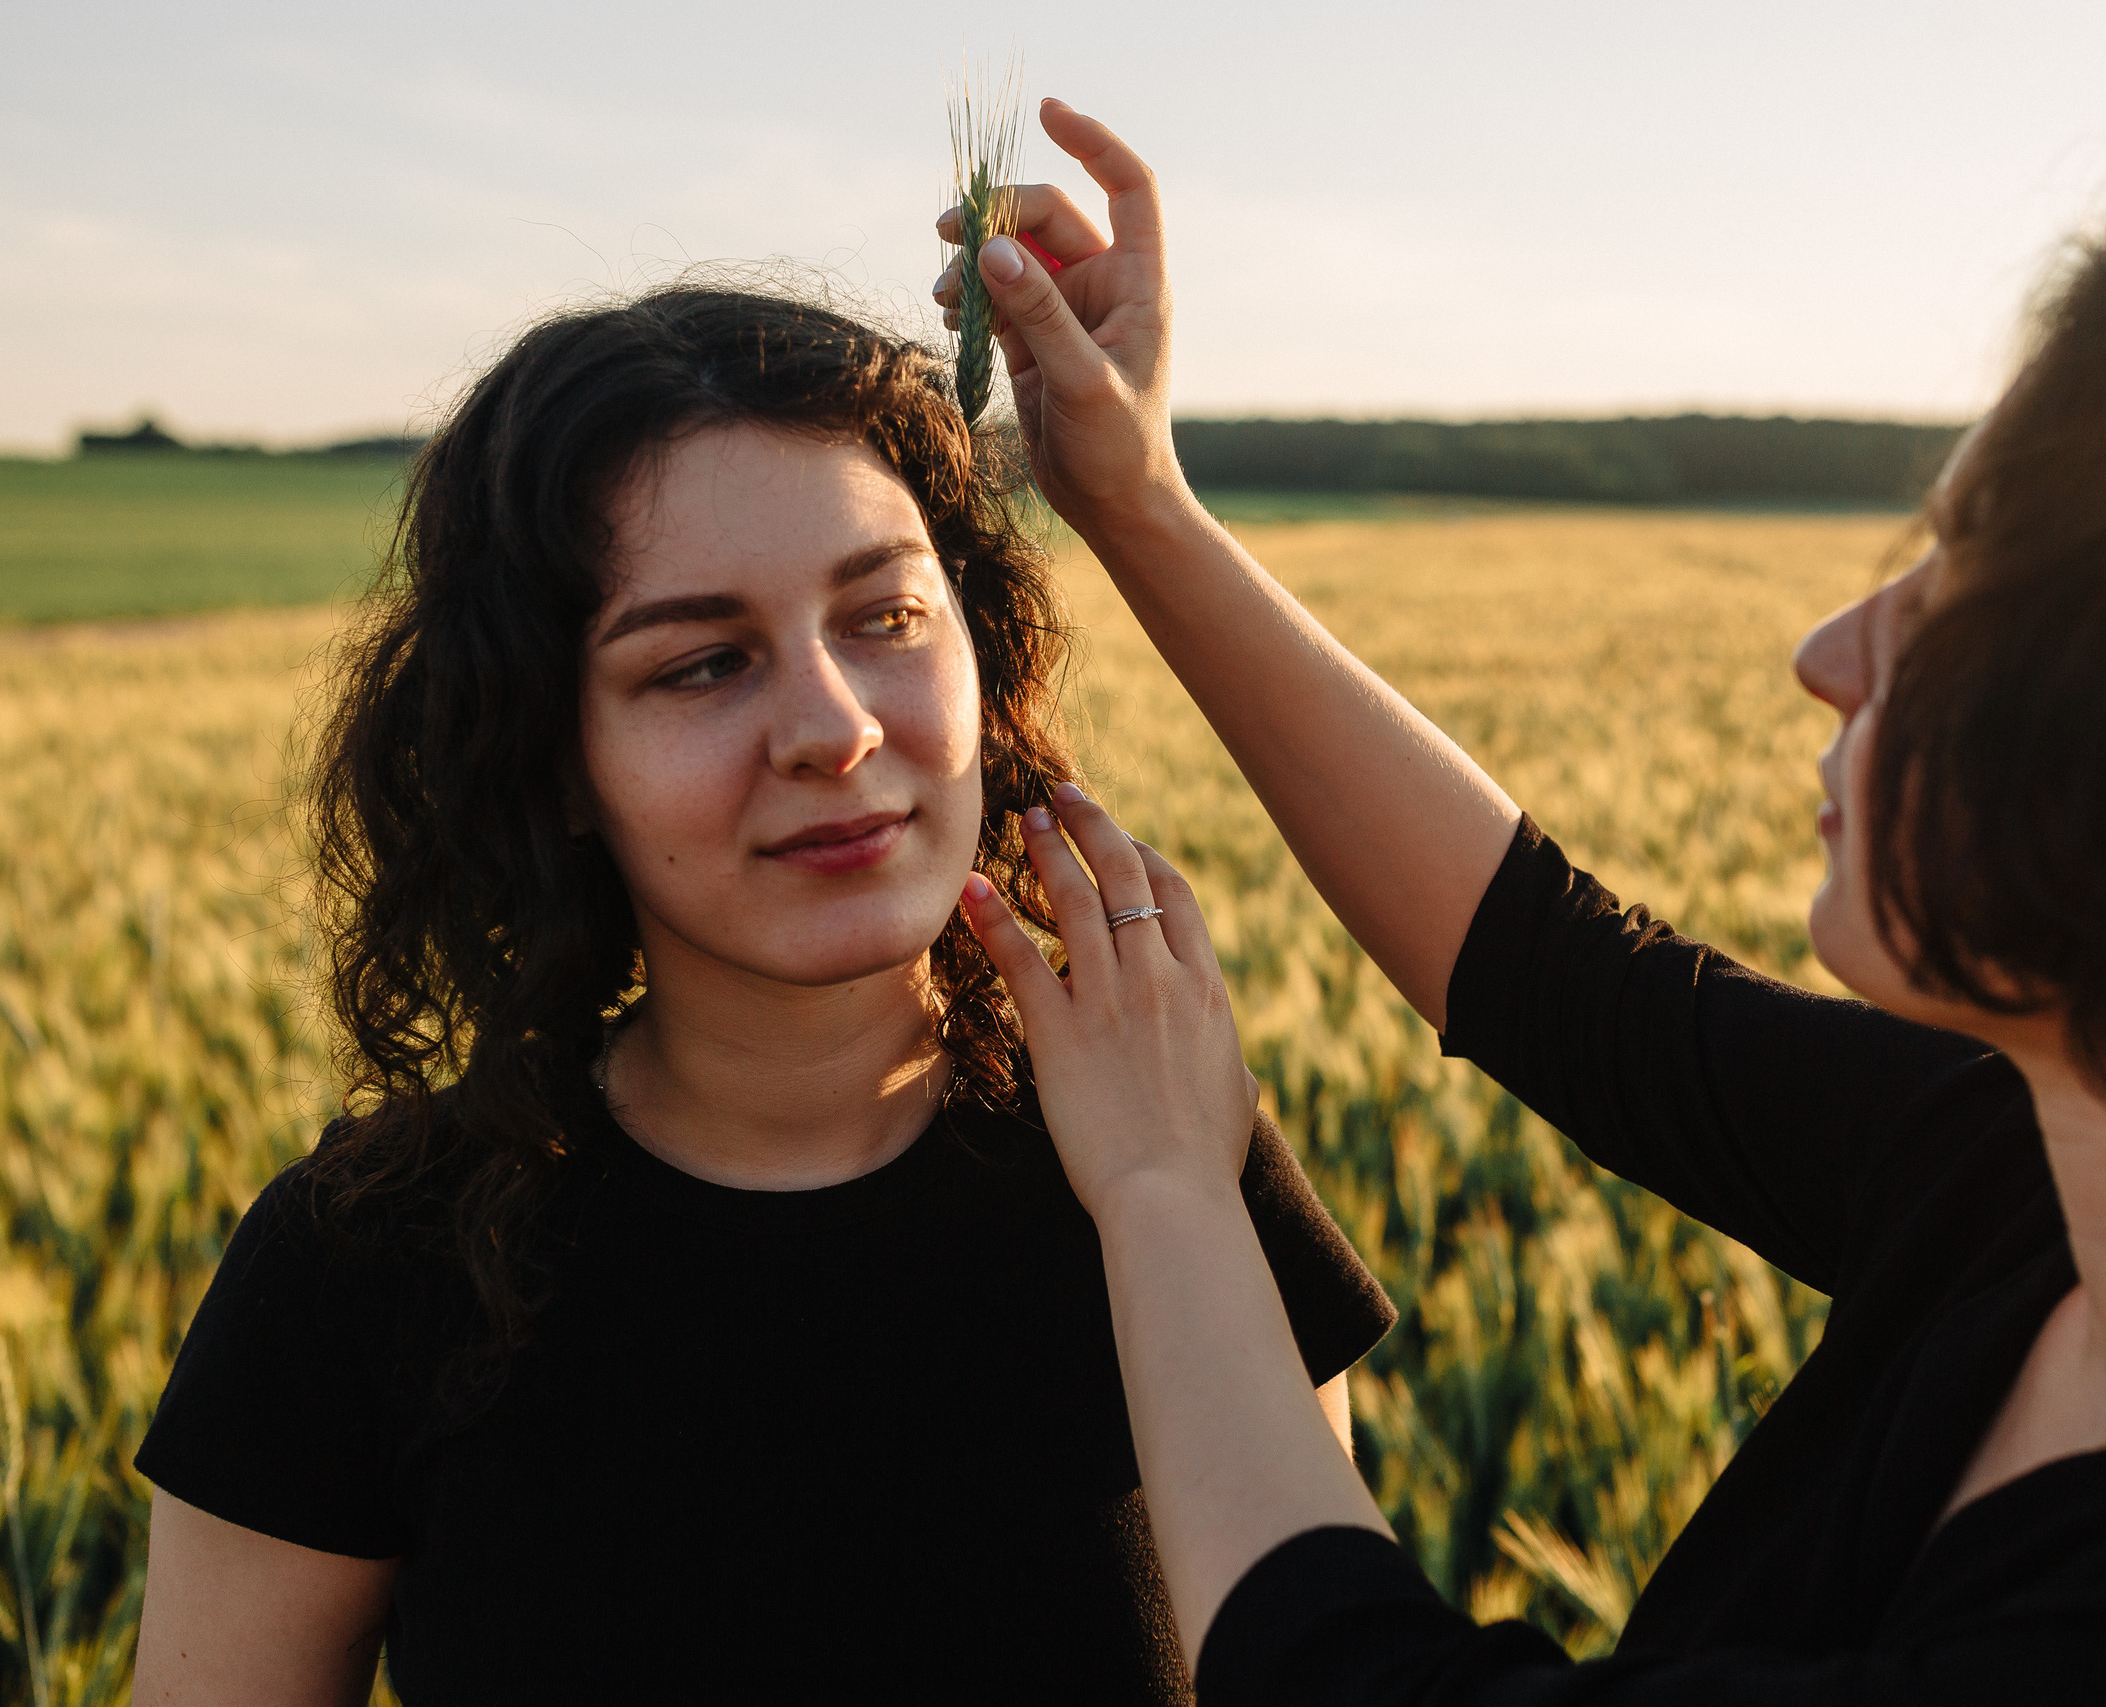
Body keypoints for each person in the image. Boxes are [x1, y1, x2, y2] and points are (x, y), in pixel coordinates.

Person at [942, 104, 2106, 1701]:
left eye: (1969, 578)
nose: (1831, 653)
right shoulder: (2055, 1175)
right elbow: (1571, 984)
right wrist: (1138, 501)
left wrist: (1166, 1189)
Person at [127, 285, 1395, 1705]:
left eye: (888, 616)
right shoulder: (363, 1267)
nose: (835, 729)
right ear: (551, 758)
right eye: (704, 664)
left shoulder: (1172, 1169)